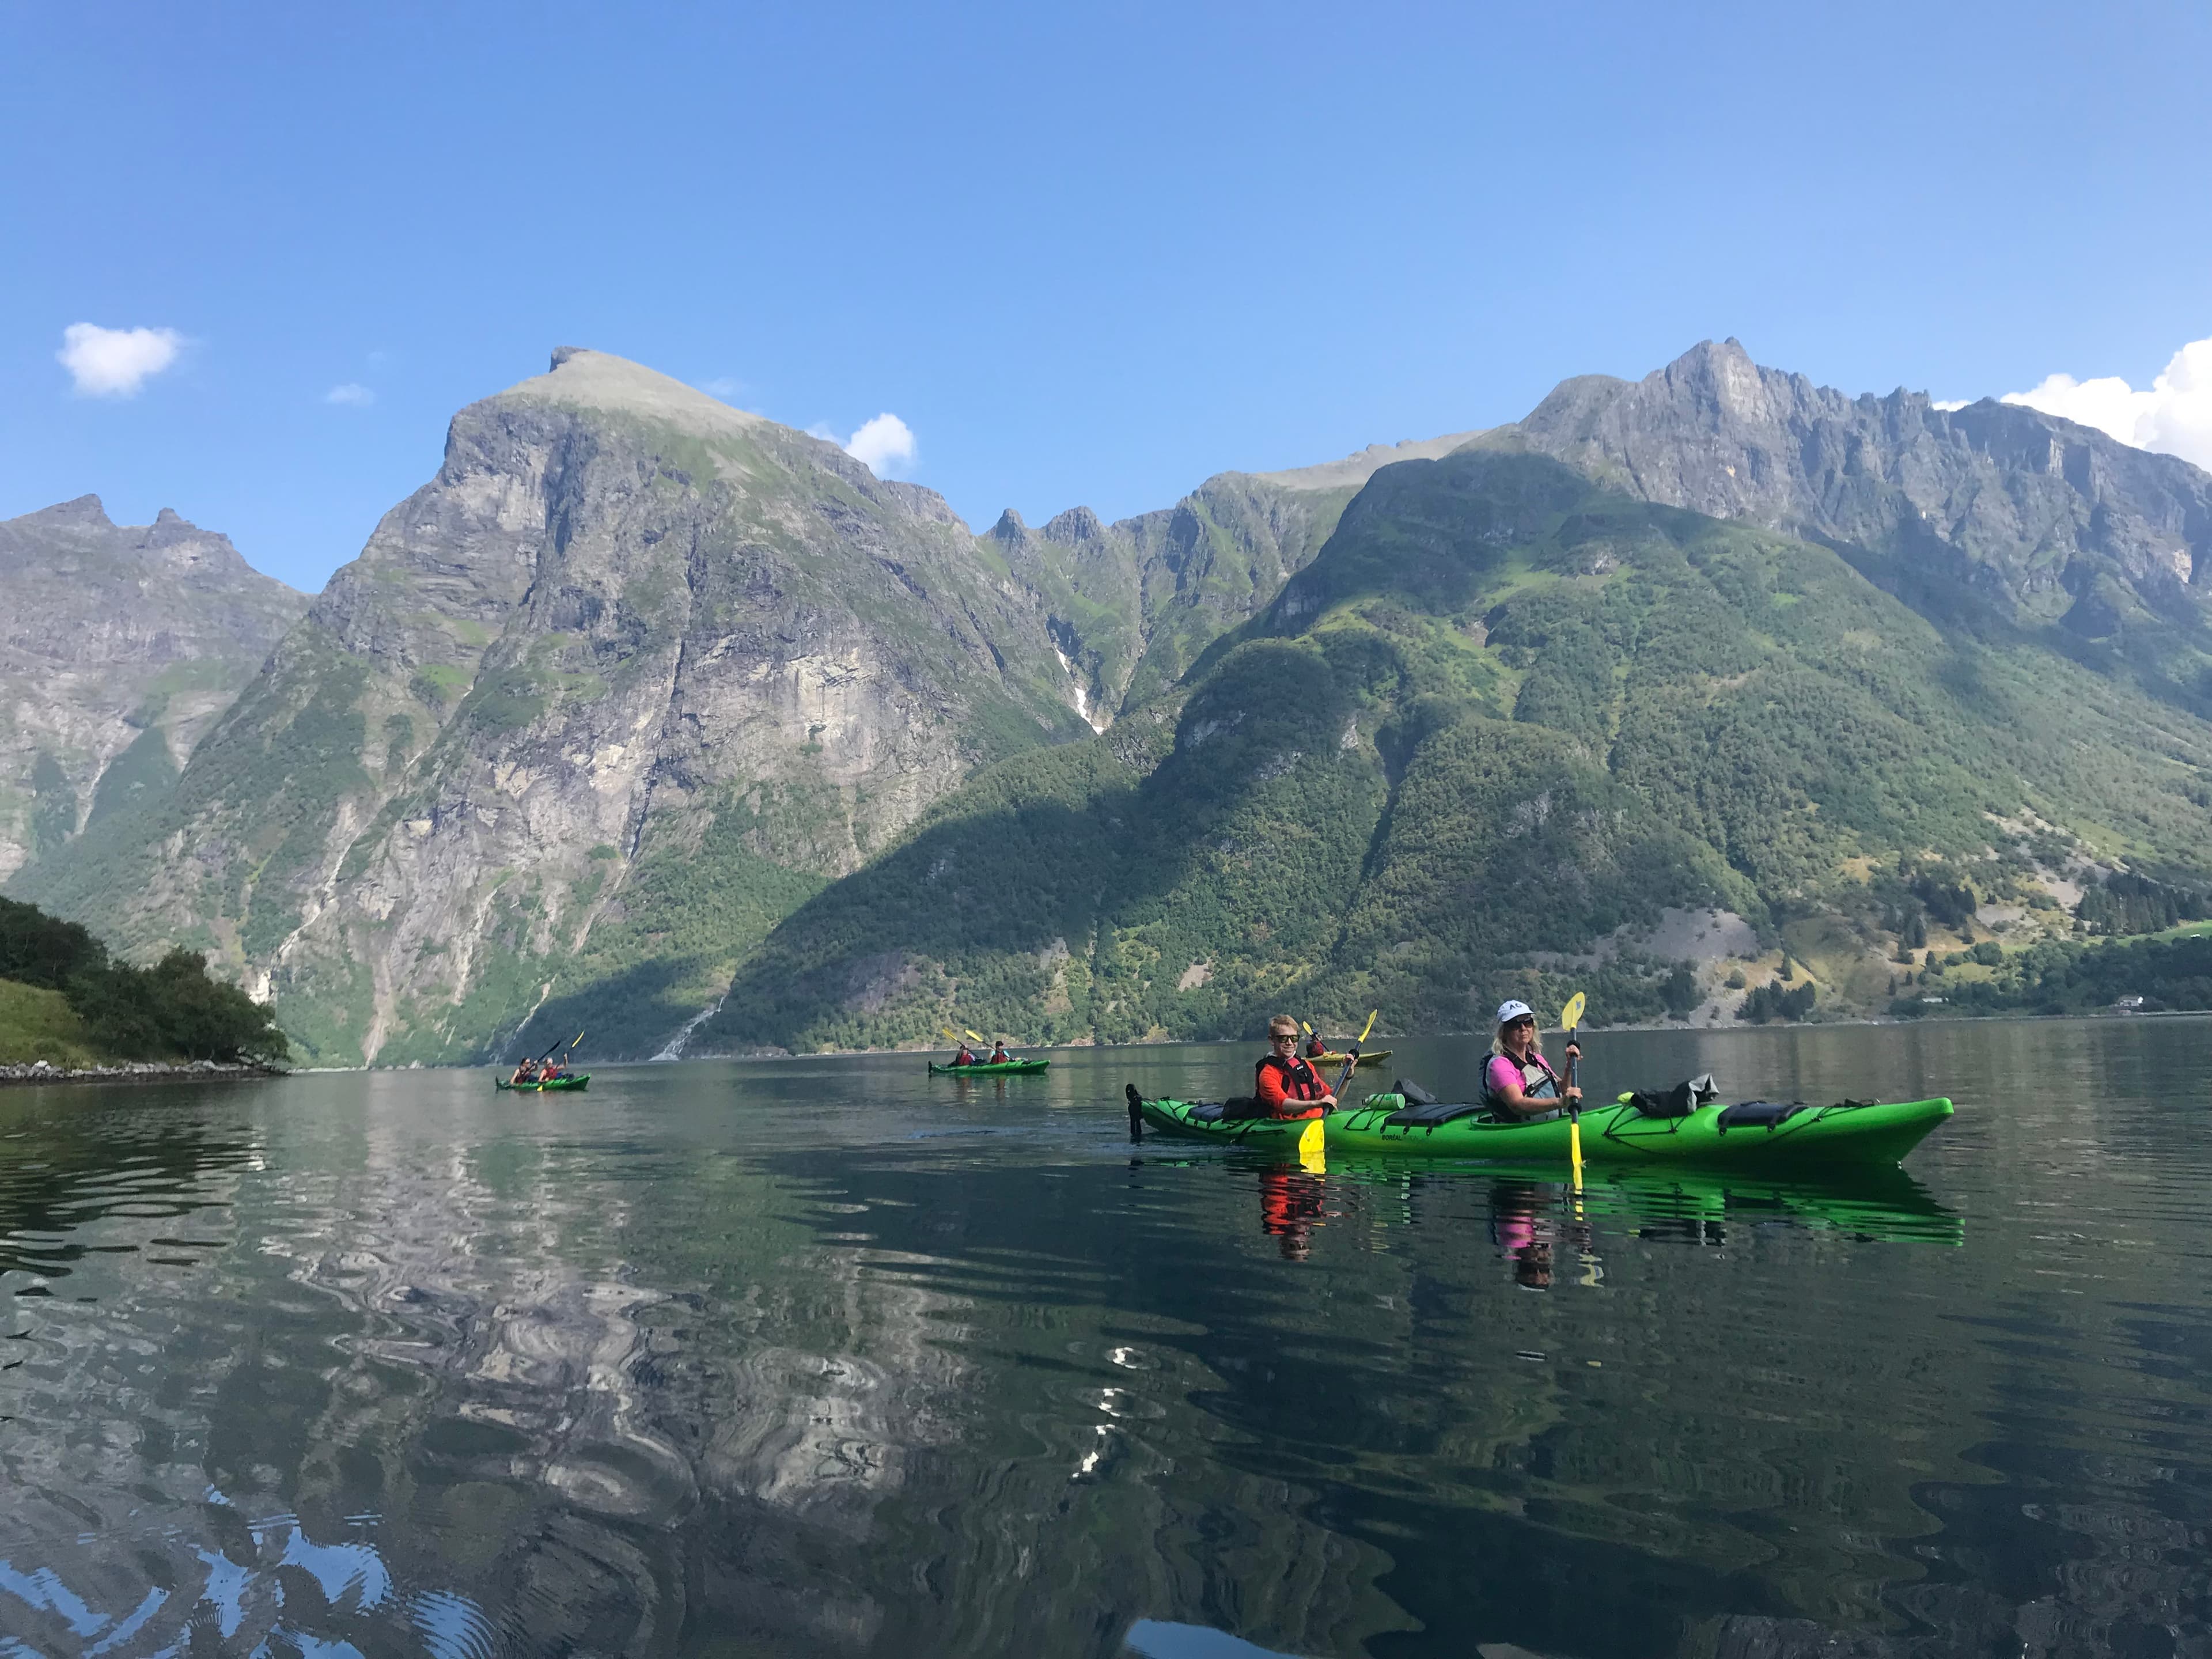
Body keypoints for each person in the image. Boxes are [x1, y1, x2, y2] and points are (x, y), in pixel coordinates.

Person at [1483, 1000, 1581, 1120]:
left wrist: (1570, 1066)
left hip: (1546, 1125)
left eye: (1527, 1022)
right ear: (1504, 1031)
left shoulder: (1536, 1058)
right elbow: (1517, 1104)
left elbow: (1562, 1089)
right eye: (1515, 1025)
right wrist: (1560, 1102)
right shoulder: (1499, 1065)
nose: (1523, 1028)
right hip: (1516, 1131)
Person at [1254, 1014, 1338, 1118]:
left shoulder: (1307, 1065)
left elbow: (1332, 1096)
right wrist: (1318, 1103)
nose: (1289, 1043)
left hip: (1318, 1117)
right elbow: (1283, 1105)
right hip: (1288, 1125)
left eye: (1294, 1038)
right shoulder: (1268, 1073)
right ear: (1272, 1040)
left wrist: (1348, 1076)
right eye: (1283, 1038)